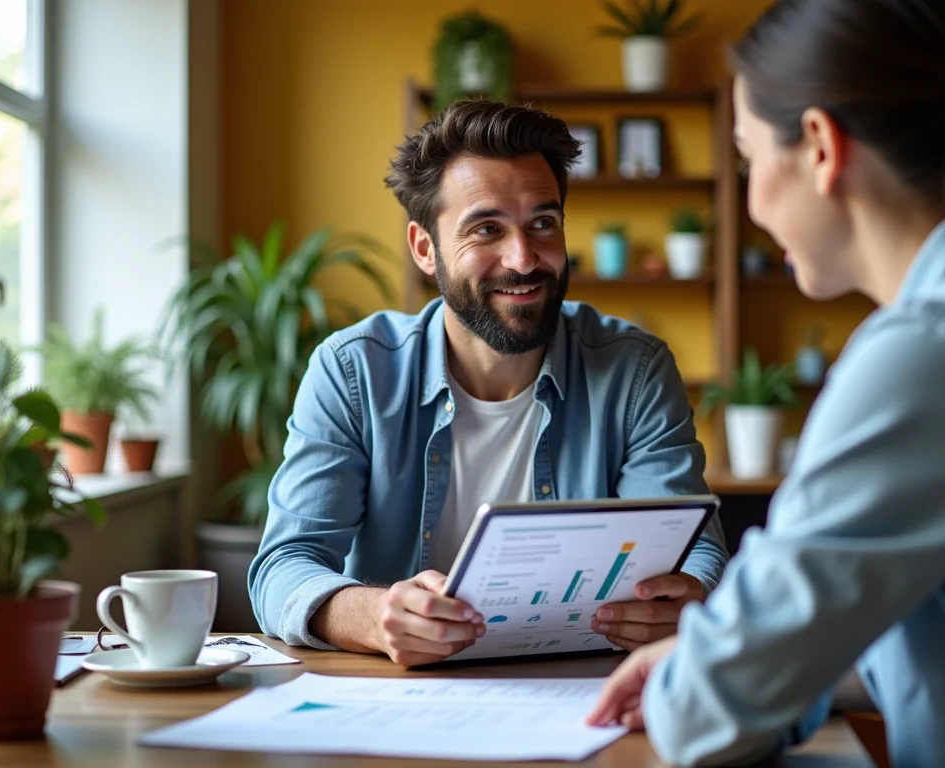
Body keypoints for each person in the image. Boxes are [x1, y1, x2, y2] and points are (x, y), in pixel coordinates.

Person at [587, 1, 945, 766]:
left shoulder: (939, 350)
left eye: (746, 160)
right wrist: (752, 673)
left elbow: (706, 715)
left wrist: (701, 676)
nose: (750, 197)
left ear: (821, 147)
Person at [248, 99, 729, 669]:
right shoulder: (353, 371)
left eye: (543, 225)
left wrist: (689, 596)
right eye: (486, 229)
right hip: (396, 694)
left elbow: (690, 541)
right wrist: (374, 615)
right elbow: (284, 565)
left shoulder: (634, 368)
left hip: (585, 691)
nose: (523, 259)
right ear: (425, 248)